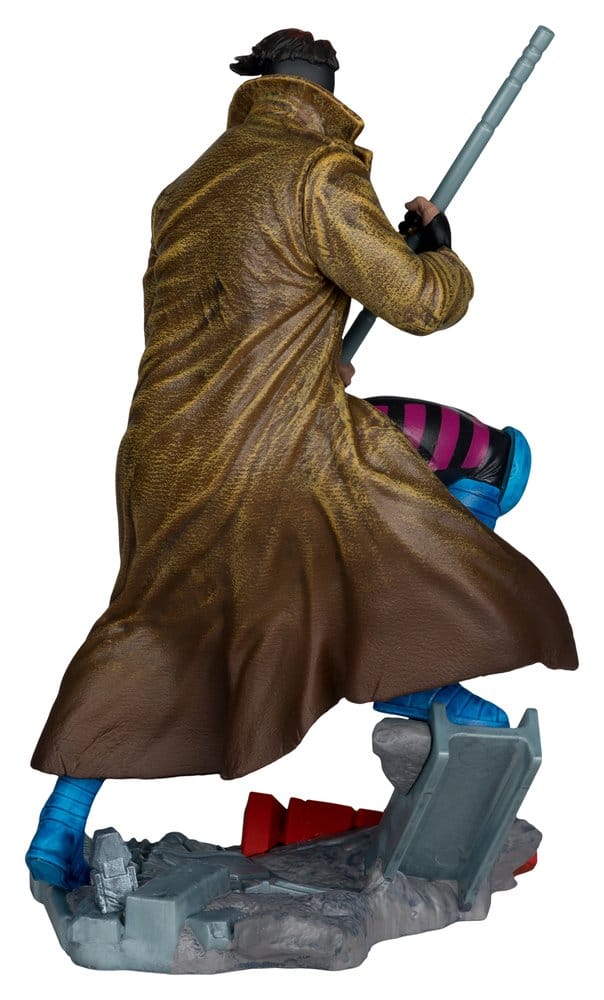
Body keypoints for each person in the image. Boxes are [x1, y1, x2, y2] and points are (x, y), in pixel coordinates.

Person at [26, 29, 577, 890]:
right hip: (278, 449)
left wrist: (312, 357)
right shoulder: (319, 173)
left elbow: (226, 320)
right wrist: (437, 251)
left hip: (164, 458)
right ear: (324, 93)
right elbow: (420, 305)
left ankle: (60, 823)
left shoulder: (187, 189)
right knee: (492, 461)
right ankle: (422, 680)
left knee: (150, 627)